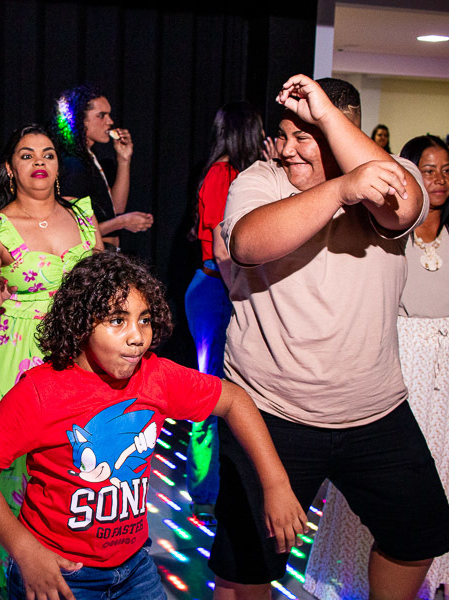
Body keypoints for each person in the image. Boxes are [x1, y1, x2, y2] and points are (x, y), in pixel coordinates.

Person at [208, 75, 449, 600]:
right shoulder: (261, 177)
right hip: (271, 410)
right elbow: (247, 243)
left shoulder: (394, 172)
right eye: (283, 135)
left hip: (374, 412)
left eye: (305, 136)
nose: (287, 149)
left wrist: (337, 139)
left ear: (343, 130)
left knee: (420, 535)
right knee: (246, 566)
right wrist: (341, 188)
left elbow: (401, 207)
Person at [0, 251, 307, 600]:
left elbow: (234, 400)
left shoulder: (155, 377)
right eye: (117, 320)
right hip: (59, 572)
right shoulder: (40, 391)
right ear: (80, 322)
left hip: (135, 568)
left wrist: (276, 484)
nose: (137, 336)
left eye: (145, 320)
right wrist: (25, 550)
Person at [304, 136, 449, 600]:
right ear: (409, 173)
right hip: (401, 352)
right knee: (392, 474)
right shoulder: (387, 229)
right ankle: (359, 579)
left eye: (446, 170)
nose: (439, 179)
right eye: (428, 170)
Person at [0, 123, 102, 591]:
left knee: (79, 455)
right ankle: (4, 572)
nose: (39, 162)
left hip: (78, 348)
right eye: (27, 155)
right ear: (11, 169)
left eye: (47, 154)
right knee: (12, 461)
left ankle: (76, 558)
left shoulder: (83, 217)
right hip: (18, 350)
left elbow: (104, 281)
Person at [183, 101, 264, 523]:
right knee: (211, 394)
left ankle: (237, 486)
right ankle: (204, 492)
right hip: (217, 290)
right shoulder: (221, 174)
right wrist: (241, 294)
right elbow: (220, 248)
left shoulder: (253, 175)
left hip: (233, 289)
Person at [50, 84, 153, 249]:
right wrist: (121, 222)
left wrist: (124, 160)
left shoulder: (89, 158)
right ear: (80, 119)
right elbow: (72, 228)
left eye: (109, 115)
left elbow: (115, 209)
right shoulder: (73, 164)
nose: (110, 122)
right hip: (92, 257)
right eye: (101, 116)